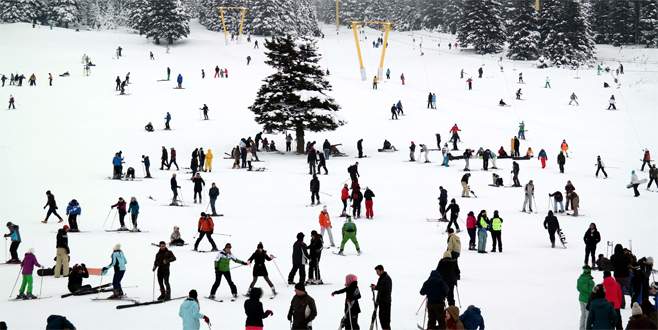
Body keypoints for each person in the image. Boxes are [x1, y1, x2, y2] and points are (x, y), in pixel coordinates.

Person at [370, 265, 392, 330]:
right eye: (376, 272)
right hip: (382, 301)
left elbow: (385, 289)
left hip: (385, 302)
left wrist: (376, 287)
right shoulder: (382, 277)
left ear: (382, 270)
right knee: (382, 319)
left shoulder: (386, 278)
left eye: (377, 271)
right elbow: (380, 287)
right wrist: (375, 287)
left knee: (385, 320)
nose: (377, 273)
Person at [577, 265, 595, 330]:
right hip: (587, 300)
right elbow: (591, 291)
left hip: (581, 298)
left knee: (583, 315)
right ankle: (587, 328)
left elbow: (578, 288)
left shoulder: (580, 278)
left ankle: (581, 328)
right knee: (588, 315)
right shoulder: (590, 280)